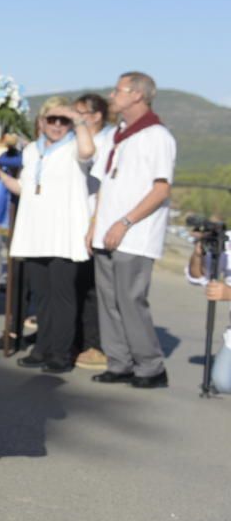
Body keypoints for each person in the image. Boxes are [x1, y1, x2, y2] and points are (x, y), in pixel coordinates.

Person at [0, 97, 95, 373]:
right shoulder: (33, 150)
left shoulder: (74, 146)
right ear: (42, 122)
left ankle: (60, 353)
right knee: (43, 296)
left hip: (63, 233)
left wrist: (78, 119)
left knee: (62, 297)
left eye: (63, 121)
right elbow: (24, 187)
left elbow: (87, 151)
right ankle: (42, 348)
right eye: (52, 119)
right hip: (35, 231)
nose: (57, 125)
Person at [87, 72, 176, 389]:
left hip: (134, 234)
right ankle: (120, 361)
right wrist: (95, 224)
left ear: (138, 95)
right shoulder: (116, 134)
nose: (112, 96)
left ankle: (150, 367)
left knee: (130, 300)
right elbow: (103, 184)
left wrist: (124, 222)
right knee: (109, 301)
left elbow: (160, 190)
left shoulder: (157, 136)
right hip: (106, 232)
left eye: (118, 90)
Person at [72, 93, 114, 369]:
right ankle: (77, 338)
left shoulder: (106, 140)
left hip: (92, 218)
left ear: (96, 116)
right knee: (74, 283)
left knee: (91, 288)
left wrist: (94, 223)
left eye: (81, 113)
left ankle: (96, 344)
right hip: (75, 217)